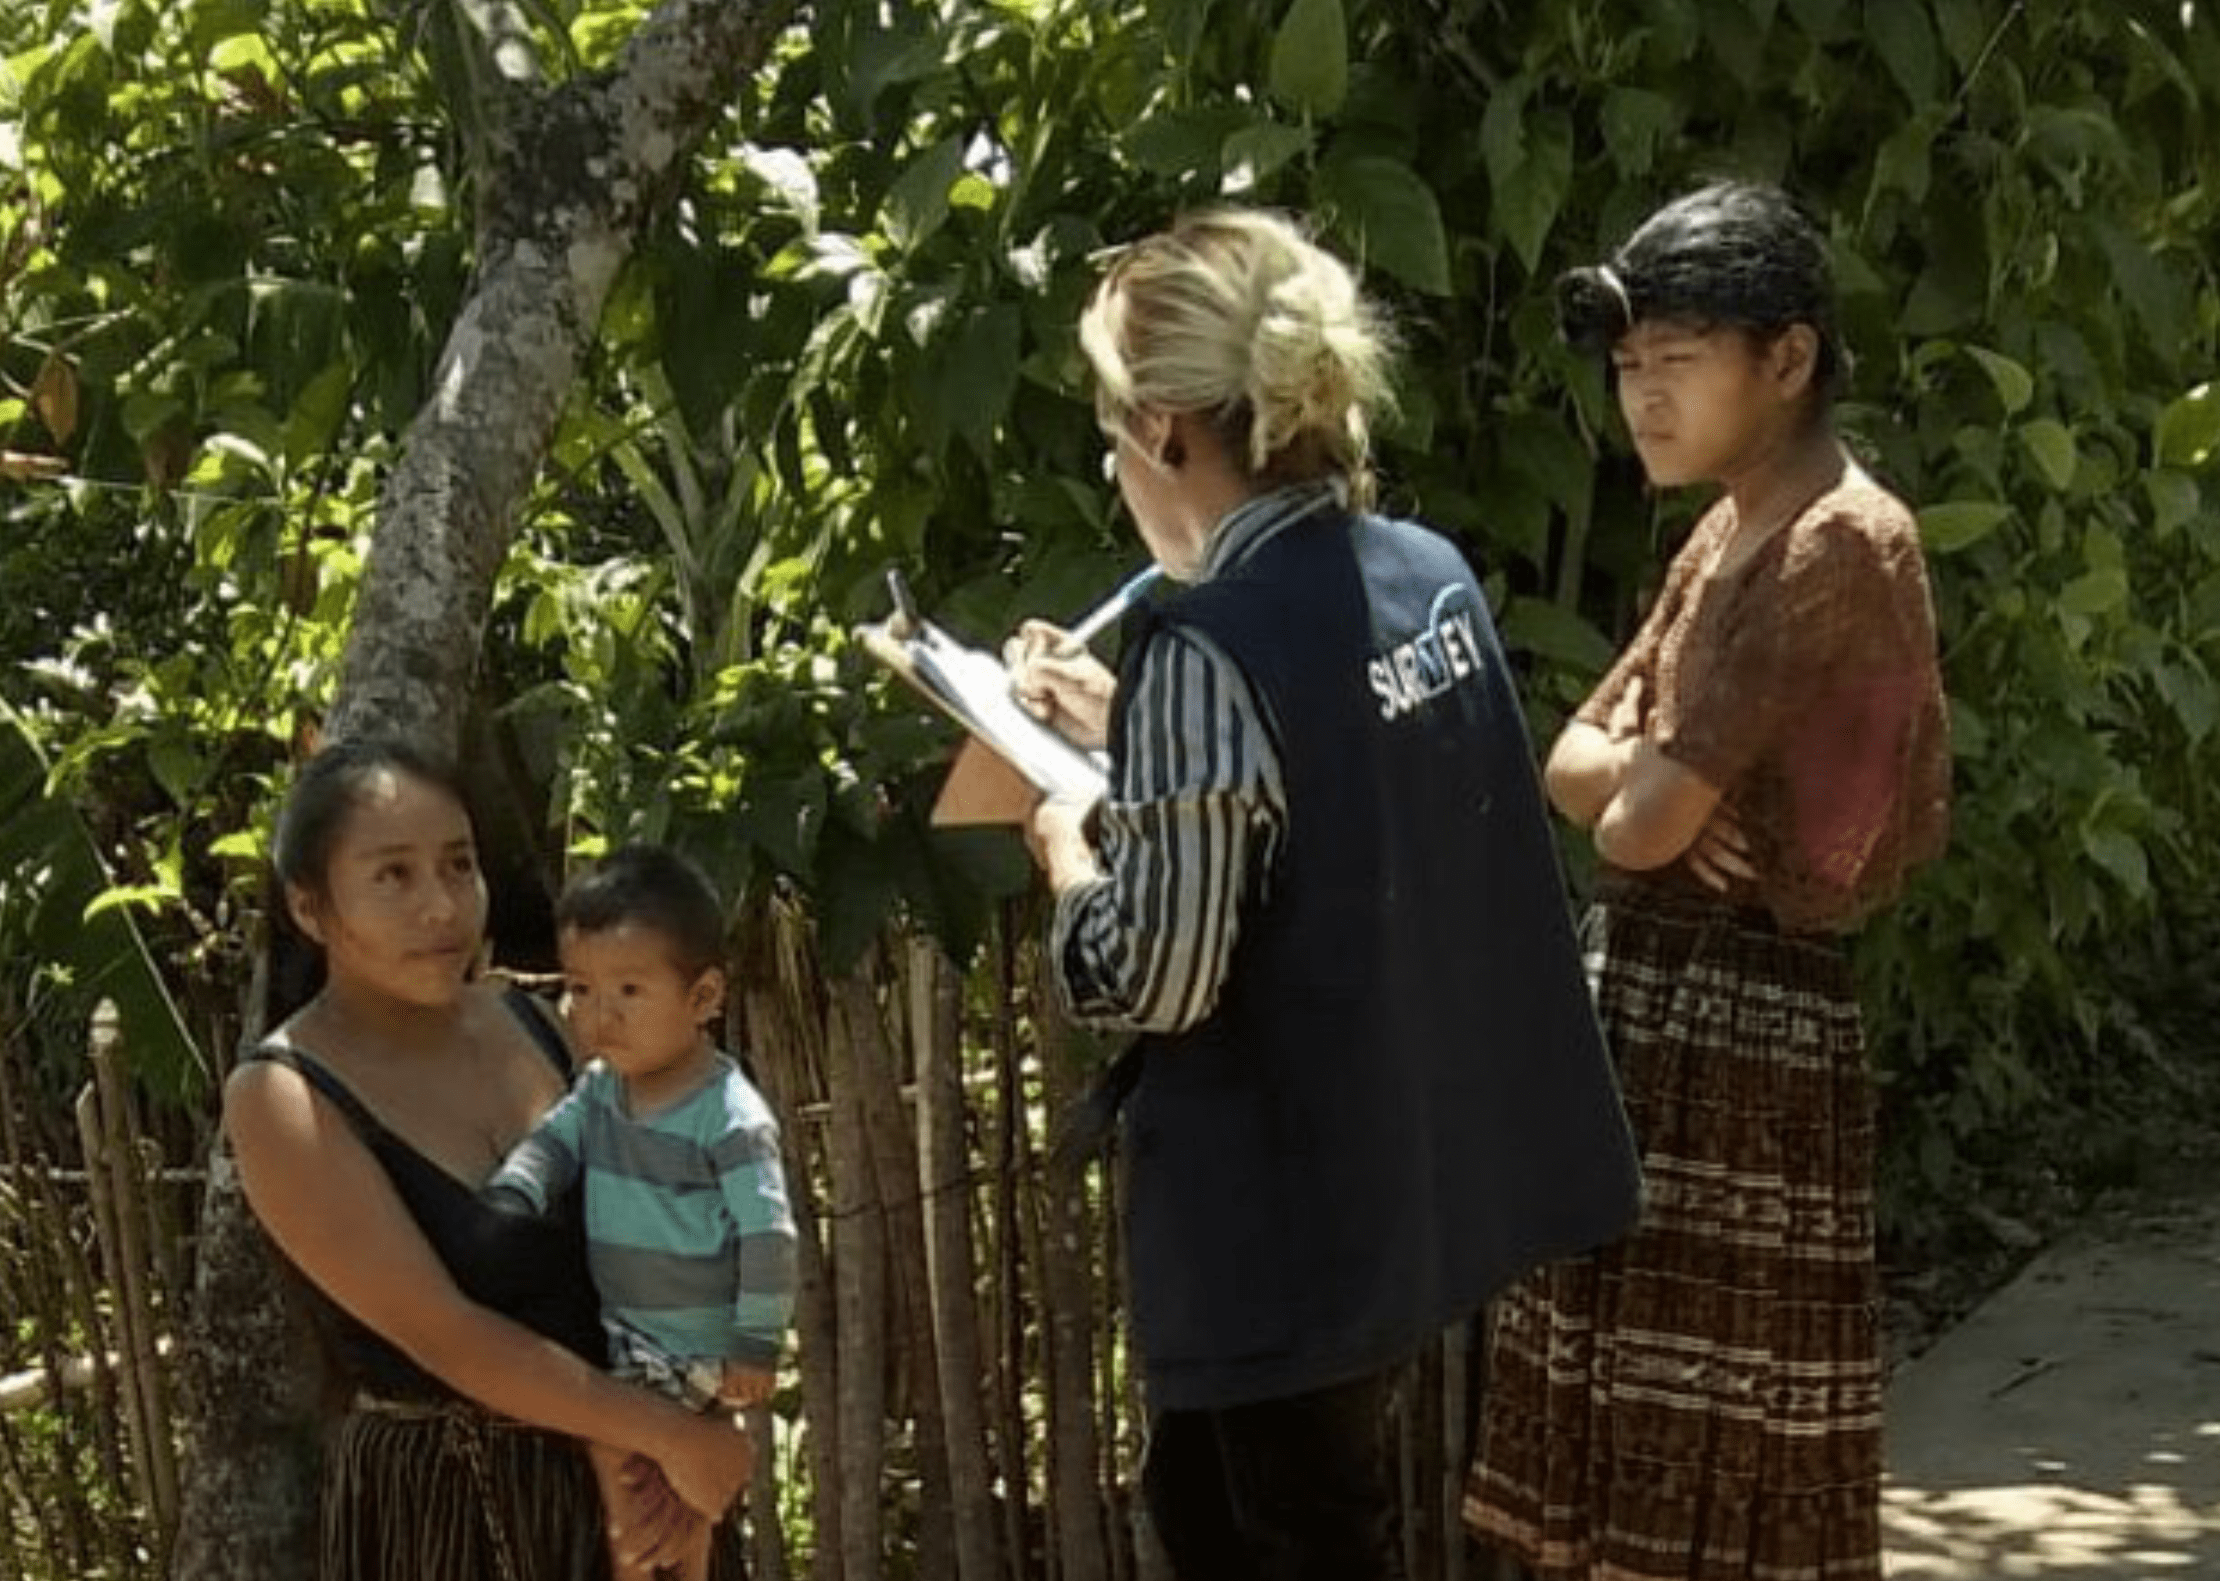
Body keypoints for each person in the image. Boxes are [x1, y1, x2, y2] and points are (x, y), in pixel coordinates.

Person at [1006, 207, 1642, 1581]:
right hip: (1406, 1174)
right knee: (1280, 1504)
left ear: (1168, 425)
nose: (1114, 456)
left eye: (1112, 423)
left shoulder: (1210, 641)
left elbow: (1163, 973)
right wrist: (1136, 730)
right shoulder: (1426, 574)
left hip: (1277, 1212)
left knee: (1266, 1530)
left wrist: (1069, 854)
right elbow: (1348, 787)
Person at [1463, 182, 1951, 1580]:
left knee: (1717, 1455)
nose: (1642, 400)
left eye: (1675, 363)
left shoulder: (1836, 542)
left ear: (1786, 359)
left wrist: (1651, 796)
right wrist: (1649, 791)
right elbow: (1574, 761)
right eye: (1628, 369)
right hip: (1657, 1017)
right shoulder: (1730, 525)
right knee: (1618, 1447)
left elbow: (1625, 824)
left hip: (1746, 1037)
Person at [223, 739, 754, 1581]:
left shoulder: (546, 1025)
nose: (440, 905)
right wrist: (655, 1438)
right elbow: (447, 1334)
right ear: (310, 906)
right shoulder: (285, 1098)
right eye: (392, 875)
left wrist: (677, 1456)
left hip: (654, 1482)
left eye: (458, 865)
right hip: (453, 1508)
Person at [485, 843, 798, 1581]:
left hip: (692, 1345)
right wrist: (512, 1192)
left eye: (629, 989)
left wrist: (755, 1342)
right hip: (626, 1329)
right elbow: (552, 1144)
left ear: (702, 997)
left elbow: (769, 1231)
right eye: (583, 989)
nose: (600, 1015)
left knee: (633, 1477)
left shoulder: (727, 1116)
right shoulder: (601, 1090)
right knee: (658, 1486)